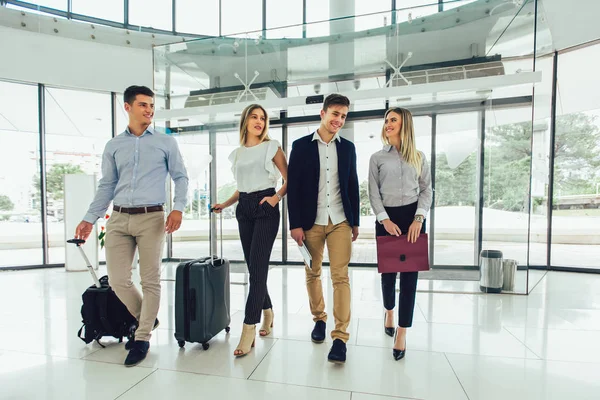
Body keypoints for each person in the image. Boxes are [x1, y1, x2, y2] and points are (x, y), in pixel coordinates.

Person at [74, 85, 189, 367]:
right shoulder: (114, 146)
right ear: (127, 107)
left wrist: (178, 208)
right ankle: (146, 318)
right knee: (117, 280)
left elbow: (181, 177)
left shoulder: (165, 143)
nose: (149, 110)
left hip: (152, 217)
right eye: (143, 105)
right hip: (119, 218)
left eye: (151, 105)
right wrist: (90, 218)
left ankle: (142, 337)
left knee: (150, 280)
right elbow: (107, 185)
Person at [287, 93, 360, 364]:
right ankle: (319, 319)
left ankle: (340, 336)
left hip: (340, 220)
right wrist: (294, 224)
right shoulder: (301, 146)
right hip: (310, 222)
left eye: (343, 116)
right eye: (335, 114)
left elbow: (352, 185)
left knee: (341, 277)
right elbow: (293, 188)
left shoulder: (348, 148)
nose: (339, 120)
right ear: (323, 113)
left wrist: (355, 221)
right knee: (312, 273)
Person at [212, 104, 287, 357]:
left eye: (263, 118)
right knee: (254, 268)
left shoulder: (272, 146)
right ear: (245, 121)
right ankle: (268, 311)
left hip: (266, 206)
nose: (259, 121)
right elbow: (242, 187)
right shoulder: (238, 153)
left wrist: (276, 198)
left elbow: (290, 179)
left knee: (257, 270)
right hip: (244, 208)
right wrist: (225, 203)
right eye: (254, 117)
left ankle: (248, 328)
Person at [368, 107, 432, 361]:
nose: (388, 124)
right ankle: (389, 312)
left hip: (413, 219)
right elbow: (373, 193)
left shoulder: (419, 156)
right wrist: (384, 219)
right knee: (388, 275)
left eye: (393, 119)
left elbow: (427, 190)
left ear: (405, 124)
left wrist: (419, 218)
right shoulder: (377, 158)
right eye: (386, 120)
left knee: (409, 279)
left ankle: (402, 332)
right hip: (387, 218)